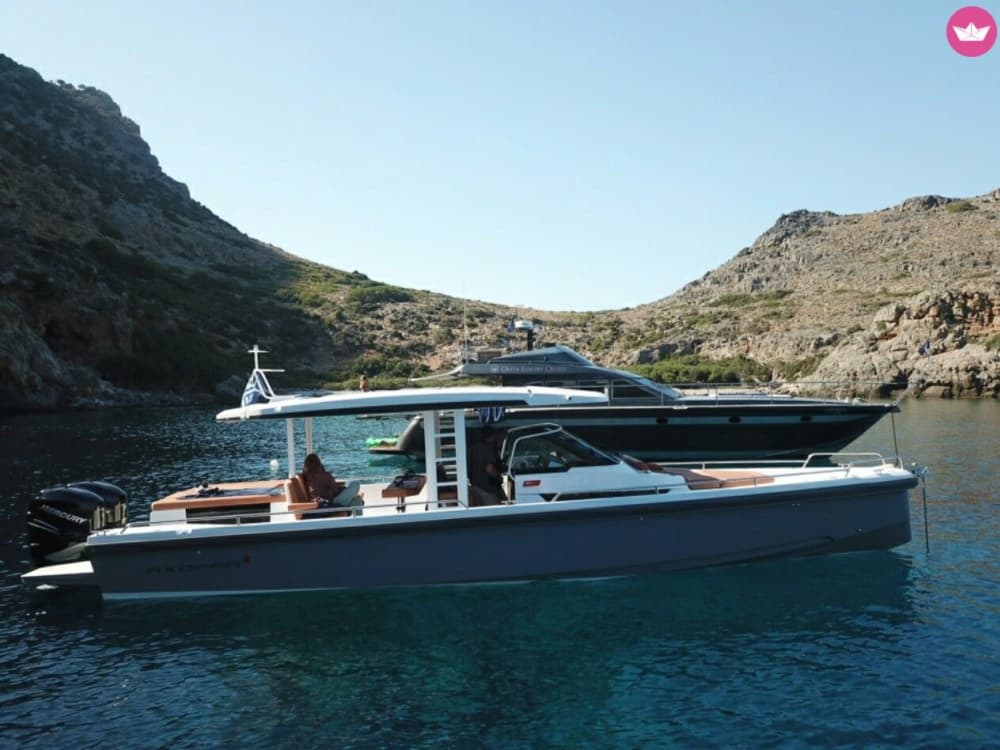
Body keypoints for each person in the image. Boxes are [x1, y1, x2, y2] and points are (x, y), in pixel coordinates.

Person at [467, 426, 506, 507]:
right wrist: (499, 477)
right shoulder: (489, 448)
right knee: (495, 514)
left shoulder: (473, 448)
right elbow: (489, 469)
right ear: (493, 436)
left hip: (474, 487)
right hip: (487, 490)